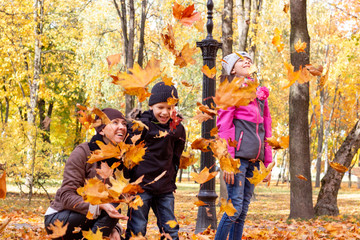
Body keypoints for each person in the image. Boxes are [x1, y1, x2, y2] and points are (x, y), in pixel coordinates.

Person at [44, 108, 128, 240]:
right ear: (101, 130)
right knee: (111, 206)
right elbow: (66, 196)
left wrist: (114, 229)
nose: (122, 127)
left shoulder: (119, 160)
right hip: (60, 218)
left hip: (92, 220)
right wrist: (99, 206)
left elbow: (112, 206)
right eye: (115, 122)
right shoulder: (83, 152)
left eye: (124, 123)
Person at [215, 51, 273, 240]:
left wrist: (267, 162)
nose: (247, 60)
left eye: (249, 59)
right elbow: (224, 127)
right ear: (232, 68)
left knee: (243, 210)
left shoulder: (258, 93)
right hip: (237, 159)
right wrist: (227, 160)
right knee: (235, 208)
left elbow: (267, 128)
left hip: (254, 160)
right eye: (241, 59)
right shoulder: (230, 90)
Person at [124, 82, 186, 240]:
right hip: (141, 187)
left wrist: (171, 181)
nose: (165, 112)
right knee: (137, 228)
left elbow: (176, 158)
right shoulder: (142, 125)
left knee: (170, 229)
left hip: (164, 188)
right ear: (151, 106)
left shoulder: (177, 129)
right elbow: (128, 154)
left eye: (170, 107)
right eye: (160, 107)